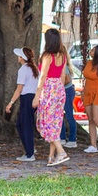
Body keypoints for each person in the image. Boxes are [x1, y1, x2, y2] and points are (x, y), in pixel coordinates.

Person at [33, 28, 69, 166]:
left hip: (48, 89)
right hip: (59, 89)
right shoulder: (63, 56)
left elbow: (42, 76)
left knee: (46, 123)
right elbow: (62, 76)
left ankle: (61, 152)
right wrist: (59, 90)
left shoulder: (47, 56)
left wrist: (37, 95)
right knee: (55, 123)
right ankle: (51, 157)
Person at [6, 47, 39, 161]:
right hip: (33, 98)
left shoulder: (23, 70)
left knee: (25, 126)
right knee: (21, 124)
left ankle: (30, 154)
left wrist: (11, 102)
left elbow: (19, 89)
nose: (18, 57)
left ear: (22, 58)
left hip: (26, 98)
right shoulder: (34, 69)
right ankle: (29, 147)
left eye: (19, 56)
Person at [59, 44, 77, 149]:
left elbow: (66, 80)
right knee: (59, 115)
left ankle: (72, 139)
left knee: (69, 114)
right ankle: (62, 137)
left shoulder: (63, 66)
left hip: (67, 90)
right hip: (62, 90)